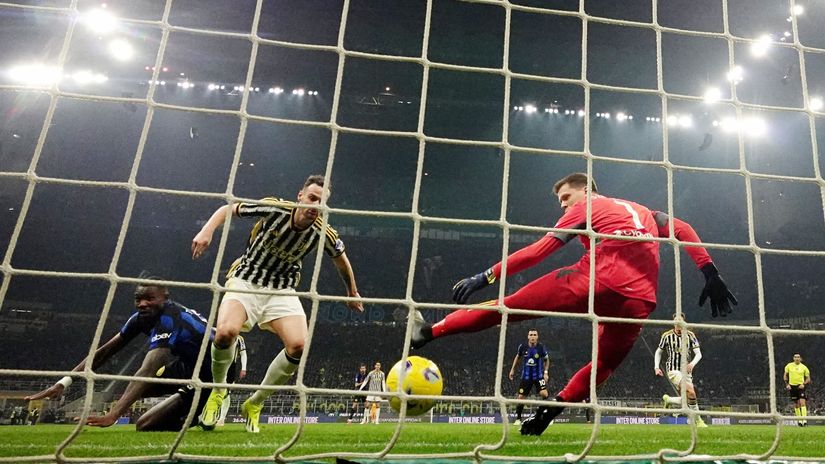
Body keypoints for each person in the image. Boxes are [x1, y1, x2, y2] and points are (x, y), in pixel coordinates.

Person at [410, 172, 737, 436]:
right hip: (639, 302)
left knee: (507, 308)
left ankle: (429, 332)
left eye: (566, 198)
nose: (563, 206)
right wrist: (709, 272)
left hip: (594, 281)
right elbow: (683, 229)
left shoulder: (587, 208)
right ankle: (549, 412)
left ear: (587, 190)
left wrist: (486, 276)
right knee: (603, 367)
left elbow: (538, 251)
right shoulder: (646, 212)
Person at [192, 175, 364, 433]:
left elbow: (342, 260)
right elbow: (229, 208)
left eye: (321, 202)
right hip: (246, 280)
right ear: (300, 195)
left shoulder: (322, 230)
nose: (315, 205)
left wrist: (352, 291)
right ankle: (219, 392)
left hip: (282, 290)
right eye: (312, 198)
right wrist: (207, 231)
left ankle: (254, 403)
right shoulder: (274, 208)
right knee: (226, 333)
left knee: (298, 346)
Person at [25, 282, 228, 431]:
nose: (142, 304)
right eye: (138, 299)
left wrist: (113, 414)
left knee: (143, 423)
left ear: (165, 299)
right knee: (138, 399)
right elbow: (104, 352)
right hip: (186, 368)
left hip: (213, 374)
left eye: (150, 298)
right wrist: (63, 383)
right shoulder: (139, 319)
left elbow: (148, 369)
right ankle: (194, 413)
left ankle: (214, 397)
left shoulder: (170, 318)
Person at [654, 314, 707, 427]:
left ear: (683, 322)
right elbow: (659, 351)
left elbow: (698, 354)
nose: (677, 323)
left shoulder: (690, 335)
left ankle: (669, 400)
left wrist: (692, 363)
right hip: (673, 370)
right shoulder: (667, 336)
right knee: (691, 391)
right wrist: (656, 367)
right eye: (675, 321)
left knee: (689, 397)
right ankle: (697, 420)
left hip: (686, 371)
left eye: (679, 321)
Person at [508, 329, 550, 425]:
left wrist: (546, 372)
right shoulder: (523, 347)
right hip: (526, 377)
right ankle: (518, 419)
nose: (532, 337)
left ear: (537, 337)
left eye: (534, 335)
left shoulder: (541, 347)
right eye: (531, 335)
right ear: (528, 336)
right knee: (521, 397)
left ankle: (546, 416)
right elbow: (517, 357)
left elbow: (547, 360)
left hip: (538, 376)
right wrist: (512, 369)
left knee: (544, 394)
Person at [216, 335, 248, 427]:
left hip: (230, 366)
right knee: (213, 390)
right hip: (216, 364)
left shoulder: (239, 338)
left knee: (226, 392)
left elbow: (243, 353)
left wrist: (244, 368)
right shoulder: (216, 333)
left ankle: (221, 418)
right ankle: (209, 415)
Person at [784, 353, 811, 426]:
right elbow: (785, 375)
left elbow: (808, 378)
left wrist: (804, 384)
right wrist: (787, 384)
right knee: (796, 404)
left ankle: (804, 421)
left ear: (800, 358)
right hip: (792, 387)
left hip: (800, 386)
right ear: (793, 358)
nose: (797, 358)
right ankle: (799, 421)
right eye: (795, 357)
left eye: (798, 357)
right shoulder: (789, 366)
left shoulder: (804, 367)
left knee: (802, 402)